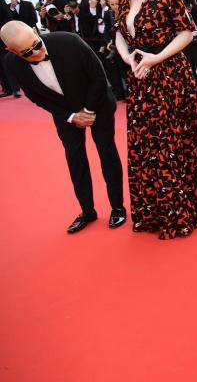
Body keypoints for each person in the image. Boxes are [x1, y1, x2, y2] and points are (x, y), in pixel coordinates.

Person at [109, 0, 197, 239]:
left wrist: (156, 58)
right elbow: (118, 35)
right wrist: (129, 58)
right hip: (141, 79)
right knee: (145, 144)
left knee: (171, 140)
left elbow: (186, 33)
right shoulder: (126, 3)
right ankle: (153, 210)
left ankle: (181, 207)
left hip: (171, 78)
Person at [1, 22, 125, 233]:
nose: (36, 53)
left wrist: (88, 110)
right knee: (75, 159)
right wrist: (70, 116)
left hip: (98, 103)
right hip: (65, 114)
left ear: (35, 31)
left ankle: (118, 207)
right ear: (11, 50)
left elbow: (98, 77)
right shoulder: (12, 63)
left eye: (36, 44)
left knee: (107, 153)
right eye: (27, 52)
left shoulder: (69, 41)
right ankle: (87, 211)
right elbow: (36, 97)